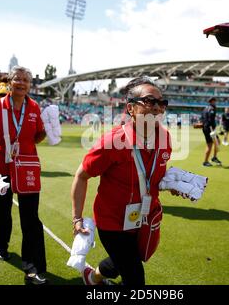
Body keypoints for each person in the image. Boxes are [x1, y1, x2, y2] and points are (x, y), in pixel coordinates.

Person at [71, 76, 173, 286]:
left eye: (161, 103)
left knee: (121, 262)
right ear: (131, 108)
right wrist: (77, 218)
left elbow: (153, 173)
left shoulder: (165, 137)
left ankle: (91, 277)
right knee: (135, 277)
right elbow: (82, 175)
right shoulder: (113, 142)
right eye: (149, 101)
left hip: (144, 218)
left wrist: (171, 184)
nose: (157, 108)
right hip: (113, 222)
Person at [0, 66, 48, 285]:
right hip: (1, 168)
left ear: (30, 85)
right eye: (17, 79)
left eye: (26, 80)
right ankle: (1, 245)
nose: (22, 83)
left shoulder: (35, 107)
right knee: (3, 210)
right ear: (10, 83)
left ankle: (32, 265)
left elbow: (36, 137)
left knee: (31, 218)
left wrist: (48, 132)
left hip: (27, 168)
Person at [201, 97, 222, 166]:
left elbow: (202, 118)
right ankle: (205, 161)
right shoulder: (212, 109)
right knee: (210, 145)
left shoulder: (205, 108)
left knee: (217, 142)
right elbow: (211, 119)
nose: (215, 103)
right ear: (212, 101)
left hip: (207, 128)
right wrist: (212, 129)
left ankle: (214, 157)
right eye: (215, 101)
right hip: (209, 129)